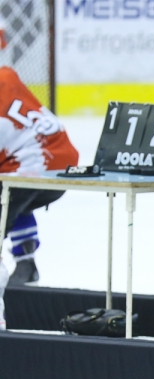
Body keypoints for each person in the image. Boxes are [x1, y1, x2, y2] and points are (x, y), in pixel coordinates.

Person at [0, 65, 79, 285]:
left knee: (8, 193)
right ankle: (26, 261)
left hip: (34, 167)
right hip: (65, 163)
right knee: (14, 198)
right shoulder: (5, 75)